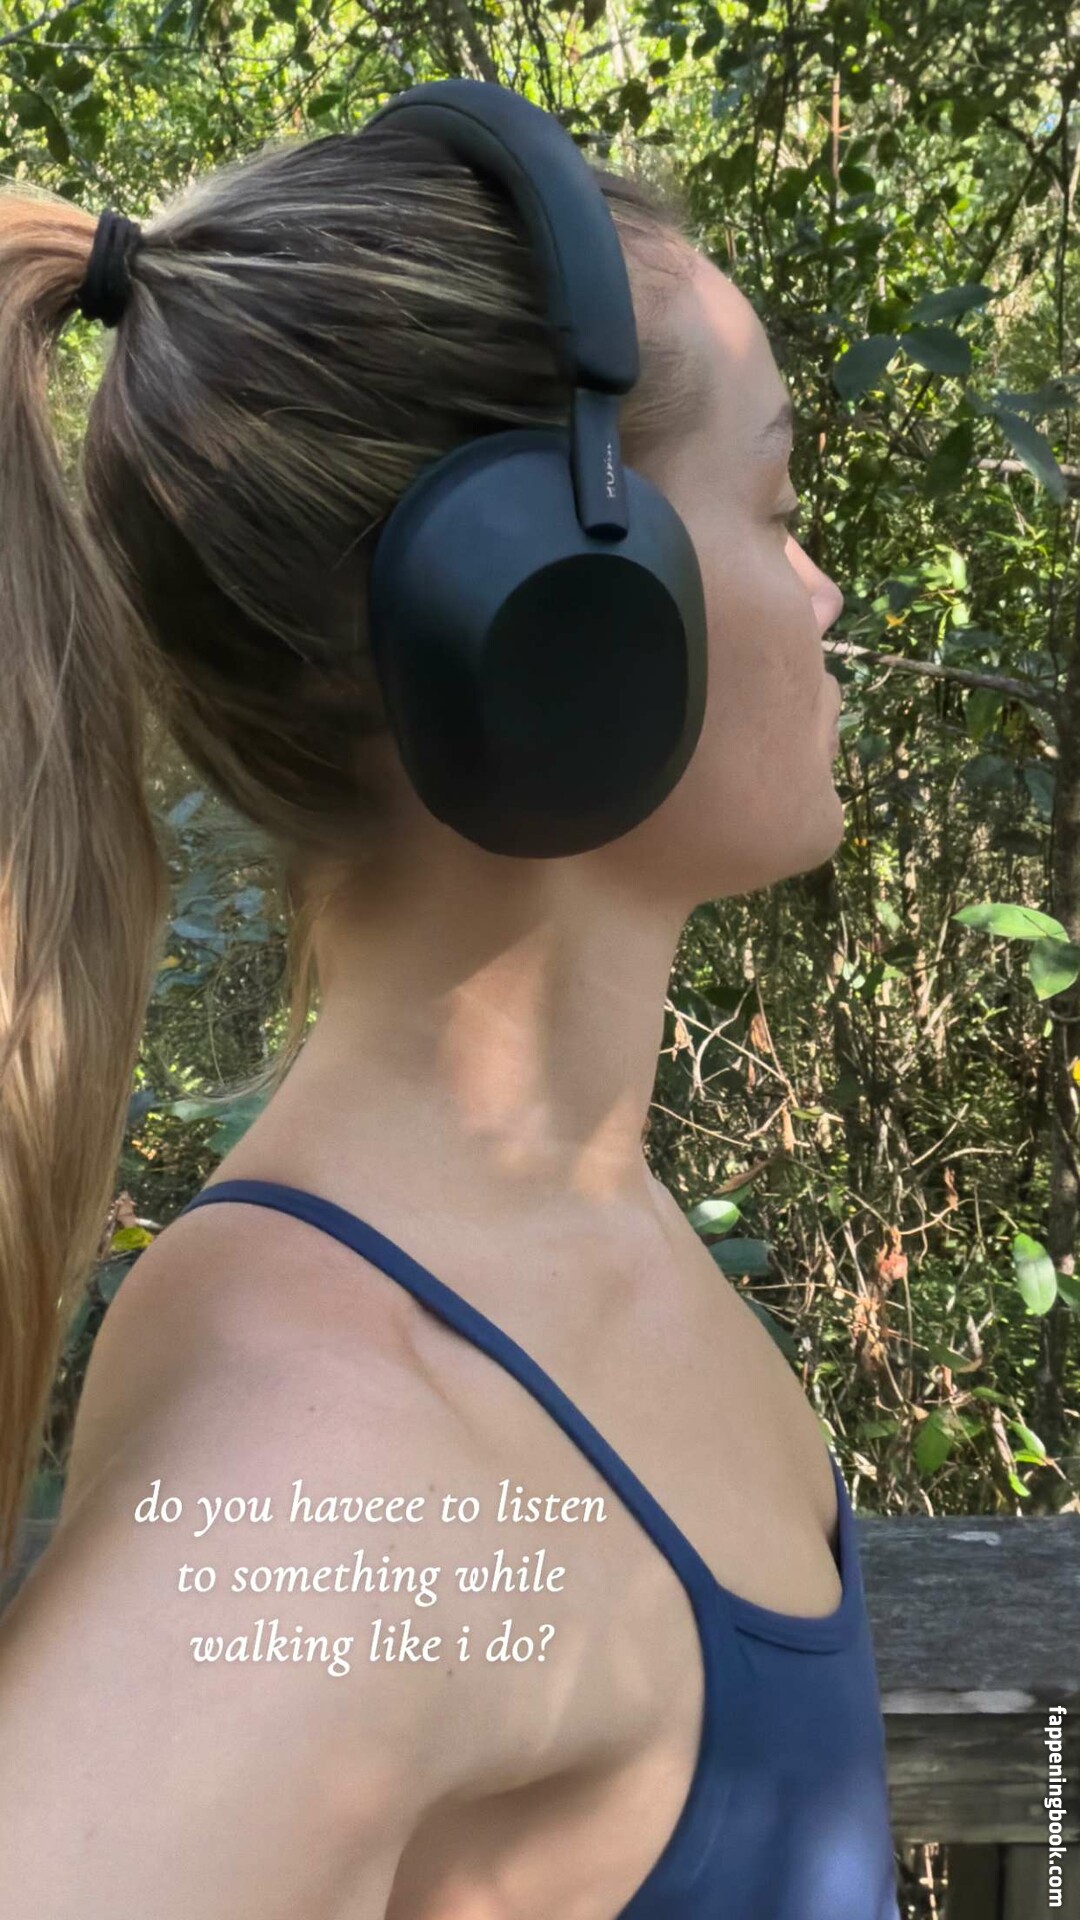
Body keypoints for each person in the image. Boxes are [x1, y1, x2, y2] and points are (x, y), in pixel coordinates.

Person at [0, 84, 899, 1920]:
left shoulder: (571, 1240)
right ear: (555, 613)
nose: (823, 594)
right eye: (776, 506)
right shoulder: (344, 1449)